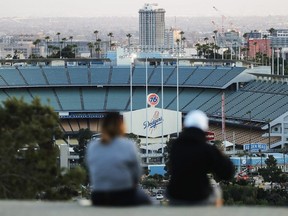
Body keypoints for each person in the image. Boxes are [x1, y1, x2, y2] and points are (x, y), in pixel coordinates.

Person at [166, 110, 234, 206]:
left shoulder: (175, 146)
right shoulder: (207, 149)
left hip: (175, 196)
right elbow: (227, 173)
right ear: (205, 127)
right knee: (217, 192)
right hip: (199, 197)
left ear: (185, 125)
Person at [86, 112, 151, 206]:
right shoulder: (128, 145)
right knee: (146, 200)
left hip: (99, 196)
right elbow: (137, 172)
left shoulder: (92, 146)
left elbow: (91, 167)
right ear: (121, 126)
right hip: (123, 194)